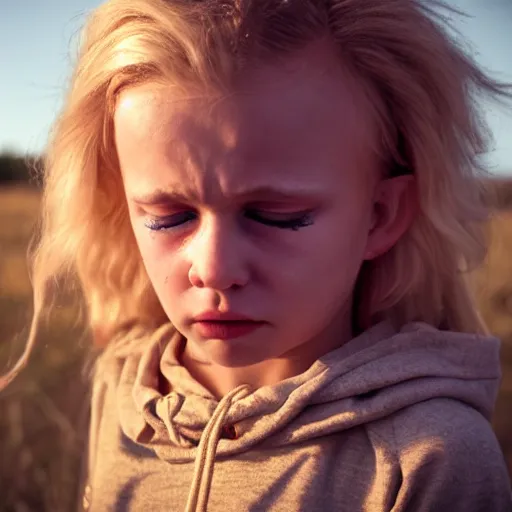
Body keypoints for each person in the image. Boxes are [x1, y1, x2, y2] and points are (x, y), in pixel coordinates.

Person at [2, 0, 512, 510]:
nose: (215, 270)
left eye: (276, 215)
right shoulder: (126, 392)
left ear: (380, 214)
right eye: (168, 216)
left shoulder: (431, 458)